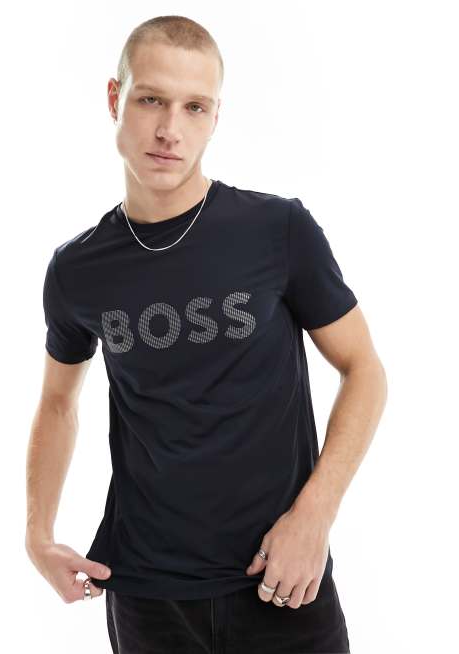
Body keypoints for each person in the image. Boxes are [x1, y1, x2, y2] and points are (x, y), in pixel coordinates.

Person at [25, 14, 388, 654]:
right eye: (150, 100)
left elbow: (364, 369)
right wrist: (38, 534)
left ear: (215, 117)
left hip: (281, 578)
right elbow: (58, 402)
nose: (170, 129)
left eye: (195, 107)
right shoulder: (77, 269)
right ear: (114, 98)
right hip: (147, 596)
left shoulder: (277, 230)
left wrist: (315, 515)